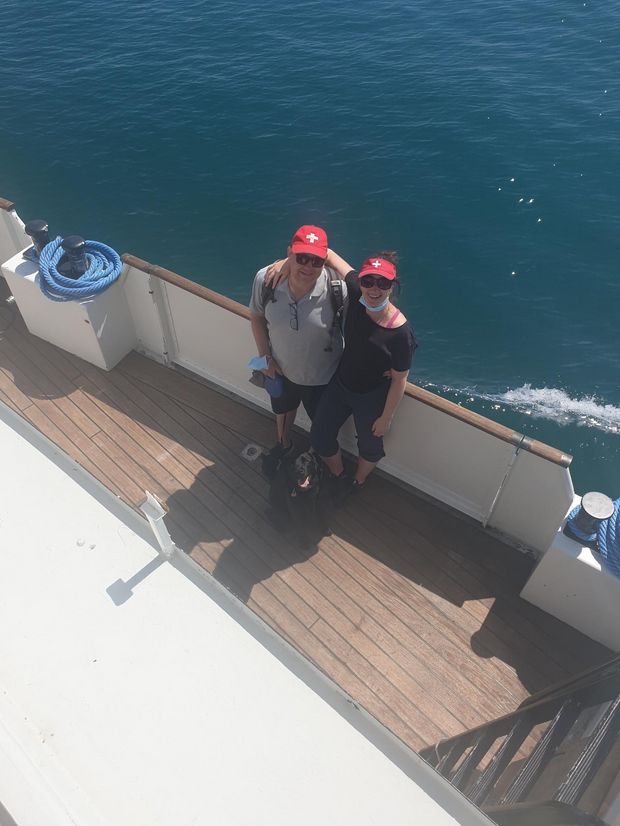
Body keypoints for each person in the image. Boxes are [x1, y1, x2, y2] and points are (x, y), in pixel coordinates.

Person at [310, 249, 416, 501]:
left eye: (383, 283)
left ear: (392, 286)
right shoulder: (357, 292)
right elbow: (327, 253)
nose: (374, 288)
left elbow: (400, 379)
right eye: (368, 281)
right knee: (320, 436)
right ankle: (338, 475)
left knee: (370, 445)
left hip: (371, 396)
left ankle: (357, 481)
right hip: (340, 384)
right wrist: (283, 266)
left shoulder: (401, 333)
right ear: (361, 281)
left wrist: (386, 418)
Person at [249, 225, 347, 465]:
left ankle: (314, 457)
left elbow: (368, 293)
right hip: (280, 369)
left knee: (321, 426)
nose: (308, 266)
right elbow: (257, 317)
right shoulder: (266, 280)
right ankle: (284, 444)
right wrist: (264, 358)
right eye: (302, 257)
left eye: (316, 260)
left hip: (324, 377)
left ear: (325, 261)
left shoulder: (338, 289)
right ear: (289, 253)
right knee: (282, 411)